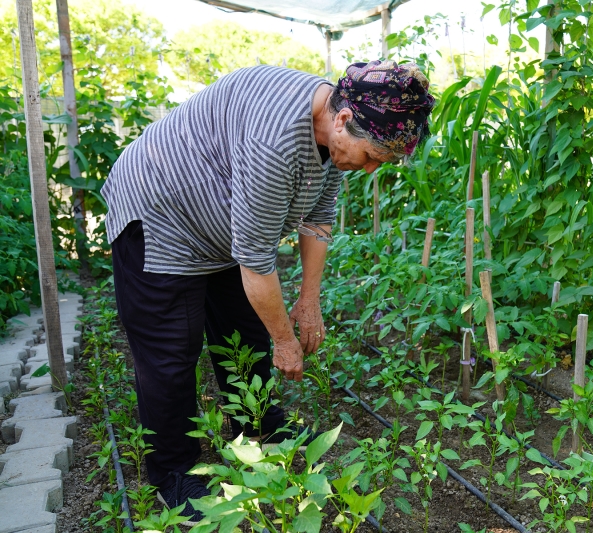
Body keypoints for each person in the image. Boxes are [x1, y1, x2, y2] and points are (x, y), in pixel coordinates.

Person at [101, 59, 435, 524]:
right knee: (171, 352)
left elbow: (318, 216)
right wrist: (285, 338)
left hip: (221, 224)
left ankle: (257, 426)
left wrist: (309, 301)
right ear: (343, 119)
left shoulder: (335, 129)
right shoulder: (275, 142)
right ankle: (172, 472)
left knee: (246, 329)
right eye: (373, 156)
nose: (371, 167)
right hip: (161, 213)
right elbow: (257, 258)